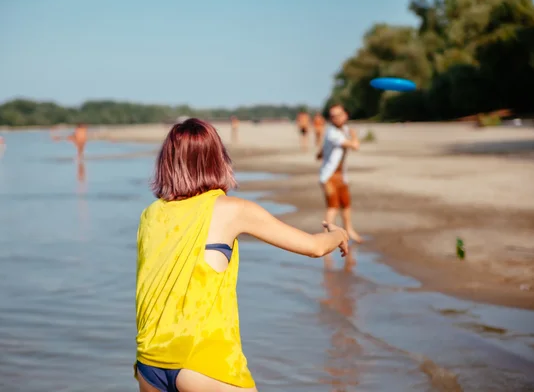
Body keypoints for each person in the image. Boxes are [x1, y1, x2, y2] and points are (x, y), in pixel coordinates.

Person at [135, 118, 350, 392]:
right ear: (217, 159)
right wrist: (339, 234)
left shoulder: (150, 214)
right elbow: (314, 247)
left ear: (167, 162)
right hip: (201, 363)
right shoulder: (230, 210)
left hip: (149, 365)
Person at [316, 104, 363, 244]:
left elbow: (322, 150)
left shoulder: (343, 129)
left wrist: (320, 153)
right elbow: (355, 146)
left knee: (346, 204)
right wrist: (354, 136)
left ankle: (349, 230)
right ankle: (325, 236)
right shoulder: (333, 133)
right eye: (332, 116)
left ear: (345, 115)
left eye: (338, 115)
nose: (335, 118)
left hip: (341, 175)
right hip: (329, 177)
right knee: (332, 207)